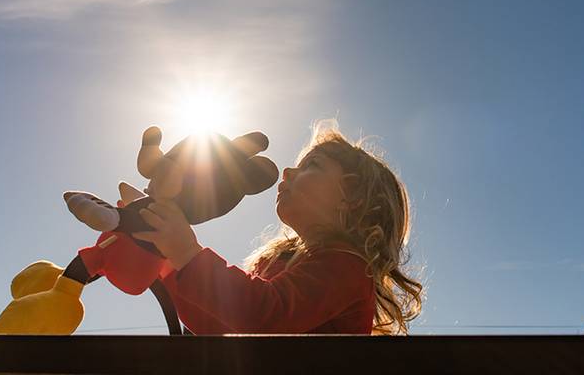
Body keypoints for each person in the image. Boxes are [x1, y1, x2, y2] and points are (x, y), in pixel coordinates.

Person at [130, 118, 424, 335]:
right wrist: (169, 261)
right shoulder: (281, 264)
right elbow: (216, 323)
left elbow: (267, 315)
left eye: (313, 166)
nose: (288, 171)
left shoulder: (347, 268)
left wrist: (188, 254)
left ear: (354, 200)